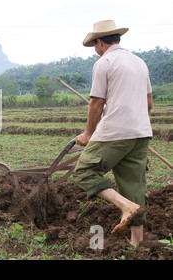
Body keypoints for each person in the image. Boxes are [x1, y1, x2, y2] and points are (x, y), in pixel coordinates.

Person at [73, 20, 153, 246]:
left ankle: (126, 206)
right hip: (141, 132)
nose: (95, 50)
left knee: (84, 172)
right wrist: (137, 123)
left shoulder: (105, 62)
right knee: (133, 185)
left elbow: (97, 102)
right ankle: (136, 242)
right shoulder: (139, 62)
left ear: (99, 42)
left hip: (115, 132)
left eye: (94, 45)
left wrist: (88, 133)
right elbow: (148, 101)